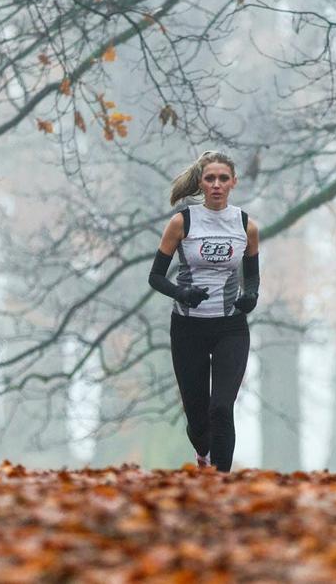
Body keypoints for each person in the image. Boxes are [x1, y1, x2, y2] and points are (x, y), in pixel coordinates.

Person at [148, 151, 260, 472]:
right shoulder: (182, 222)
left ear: (233, 182)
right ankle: (203, 454)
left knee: (222, 409)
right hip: (188, 328)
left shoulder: (245, 226)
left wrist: (250, 296)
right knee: (198, 421)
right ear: (201, 182)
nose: (216, 185)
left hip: (230, 328)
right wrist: (181, 292)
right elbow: (155, 276)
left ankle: (222, 485)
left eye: (223, 178)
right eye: (210, 178)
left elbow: (251, 276)